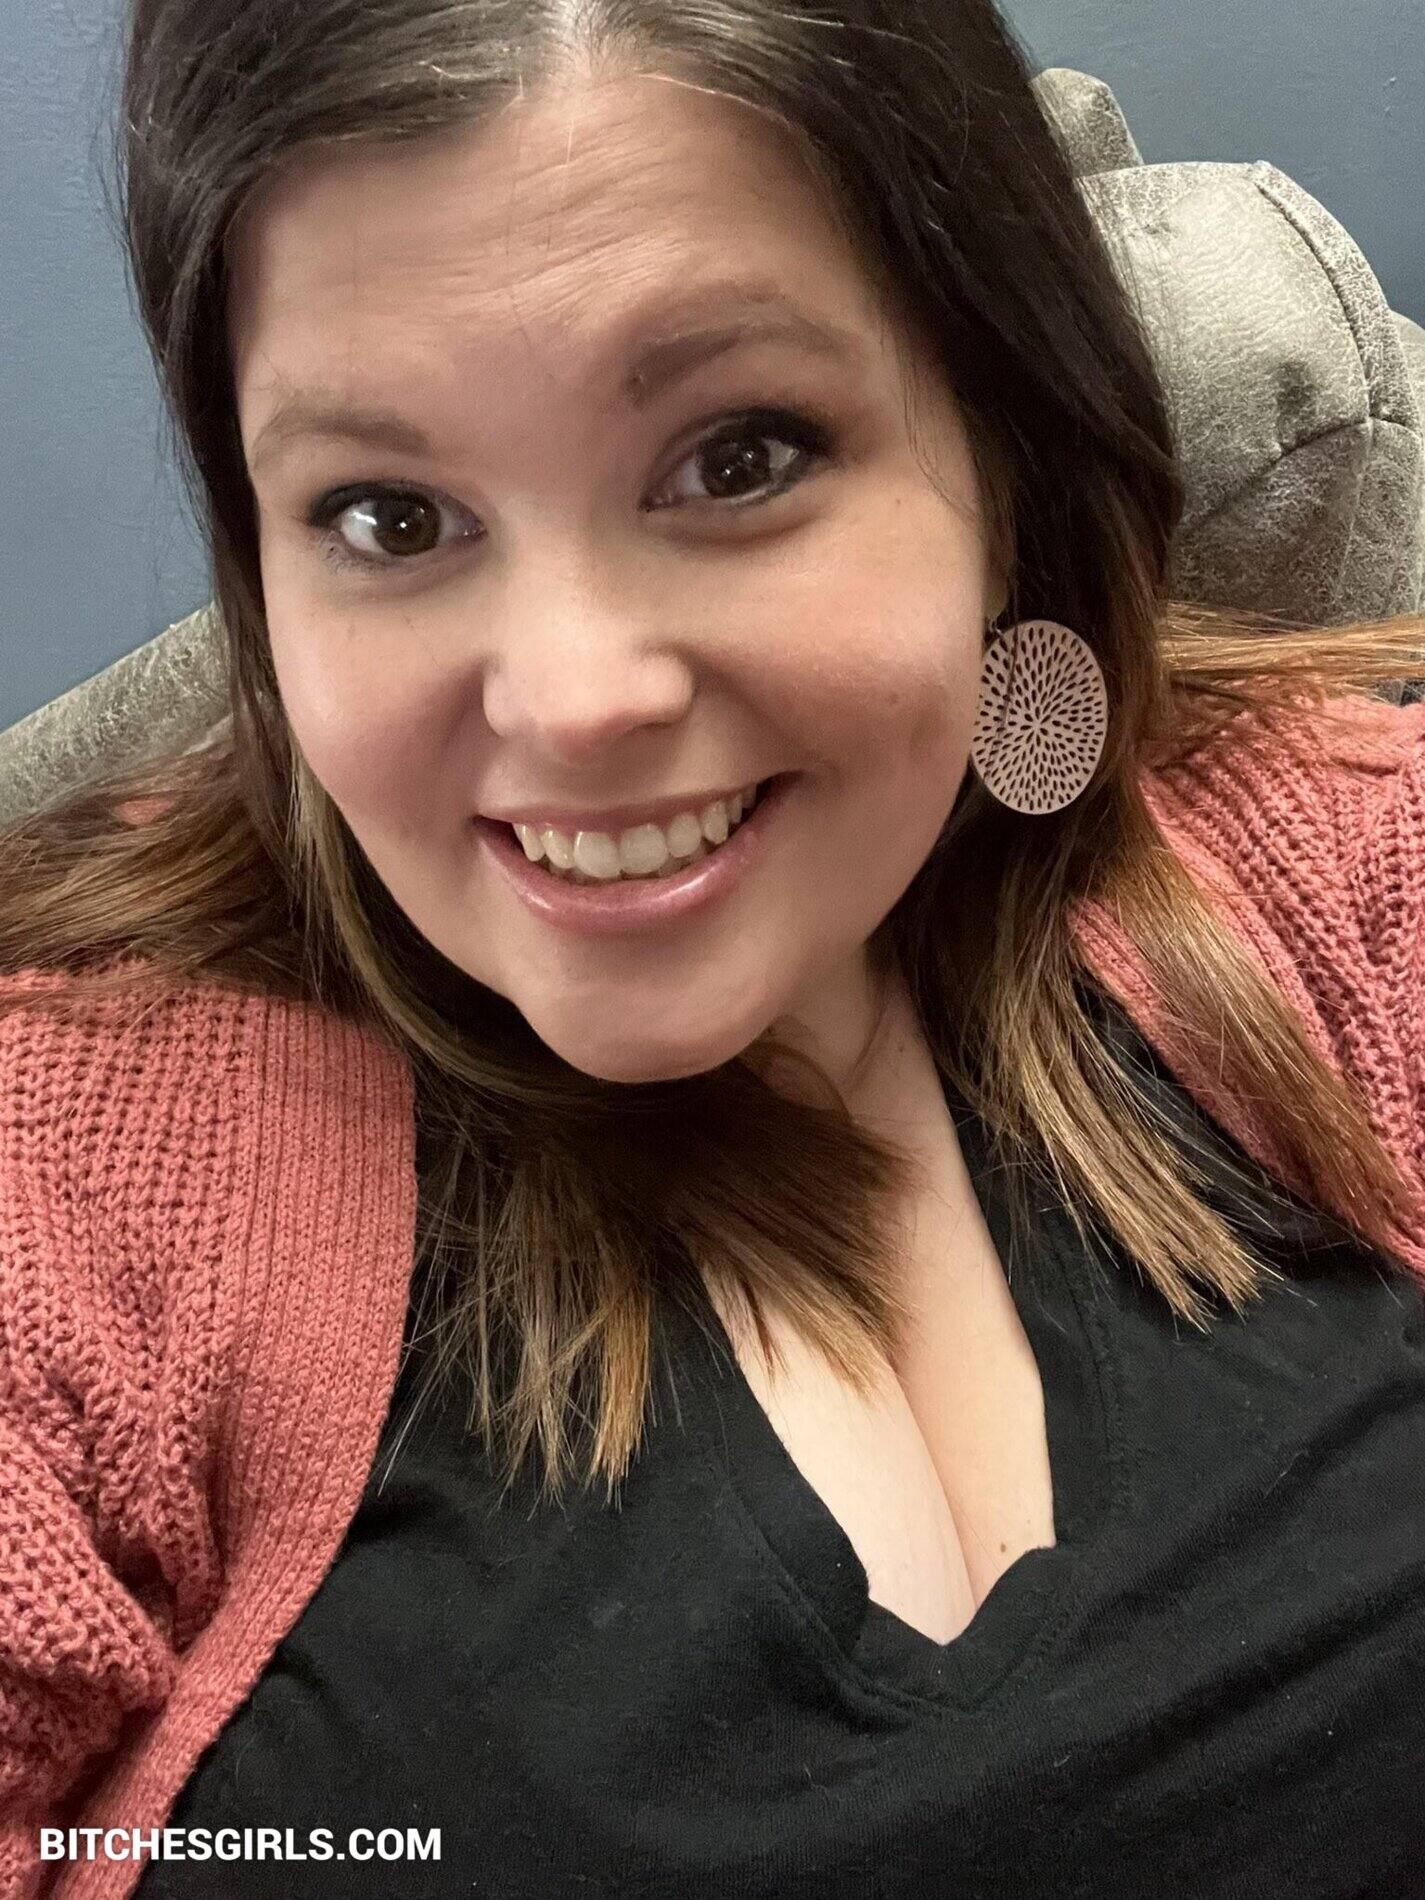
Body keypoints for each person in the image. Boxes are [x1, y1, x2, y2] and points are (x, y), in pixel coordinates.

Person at [2, 1, 1424, 1895]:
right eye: (390, 515)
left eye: (737, 458)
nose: (574, 696)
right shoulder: (67, 1161)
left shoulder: (1356, 880)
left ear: (999, 452)